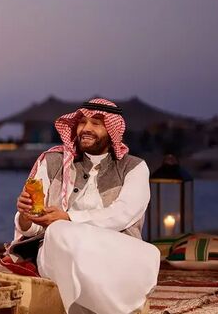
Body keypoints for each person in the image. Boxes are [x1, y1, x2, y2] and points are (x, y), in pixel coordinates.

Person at [10, 98, 160, 314]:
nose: (86, 129)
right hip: (57, 251)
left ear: (112, 130)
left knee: (147, 253)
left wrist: (69, 217)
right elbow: (35, 226)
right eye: (82, 122)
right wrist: (25, 216)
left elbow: (123, 214)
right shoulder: (52, 162)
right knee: (59, 231)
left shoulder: (134, 167)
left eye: (96, 123)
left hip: (112, 249)